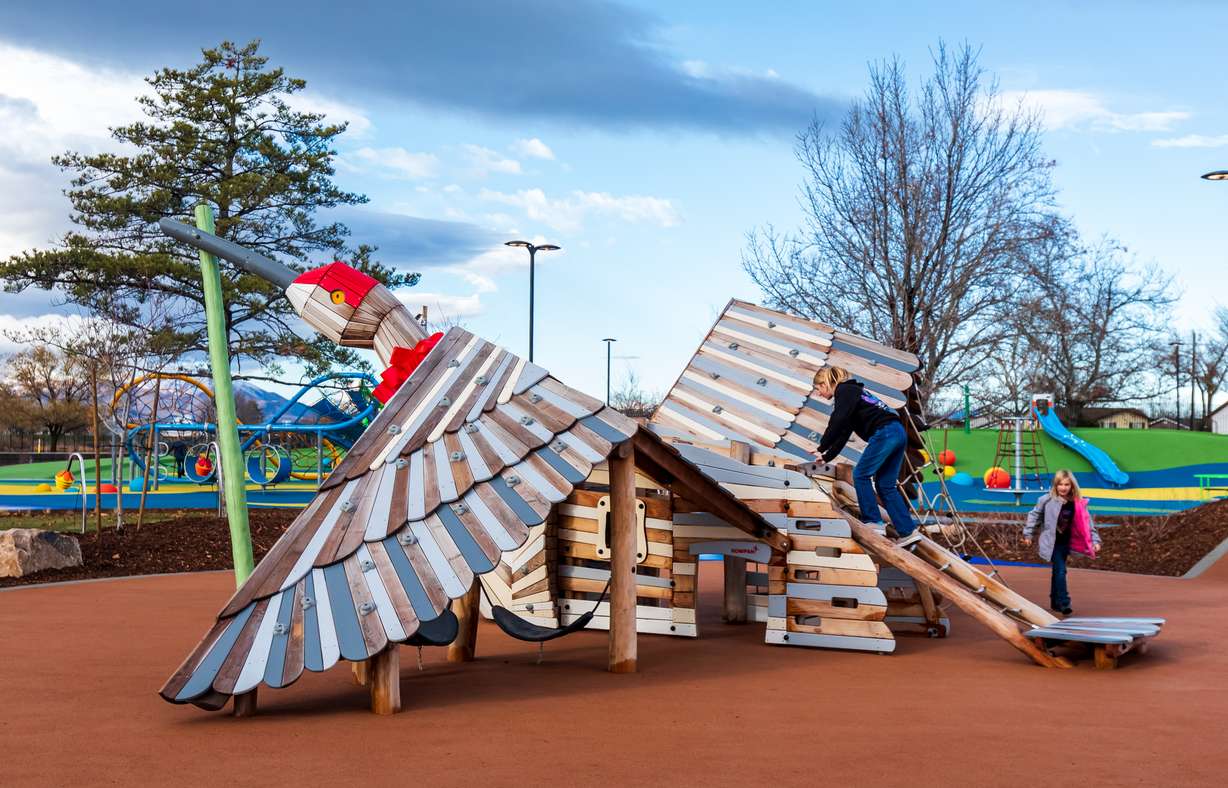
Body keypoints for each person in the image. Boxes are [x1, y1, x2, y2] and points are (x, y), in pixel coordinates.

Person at [814, 366, 918, 543]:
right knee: (885, 485)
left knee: (860, 475)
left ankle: (873, 522)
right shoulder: (856, 394)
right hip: (897, 432)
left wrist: (821, 446)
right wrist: (826, 456)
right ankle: (908, 531)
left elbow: (837, 421)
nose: (818, 394)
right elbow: (844, 432)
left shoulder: (844, 390)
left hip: (885, 432)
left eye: (818, 389)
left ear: (825, 384)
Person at [1024, 469, 1100, 615]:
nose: (1063, 488)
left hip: (1066, 542)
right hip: (1052, 542)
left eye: (1067, 485)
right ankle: (1064, 602)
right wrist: (1028, 534)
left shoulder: (1077, 503)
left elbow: (1087, 523)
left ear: (1072, 486)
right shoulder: (1046, 500)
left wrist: (1095, 540)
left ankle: (1055, 601)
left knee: (1057, 571)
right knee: (1060, 570)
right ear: (1055, 485)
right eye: (1060, 484)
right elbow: (1034, 516)